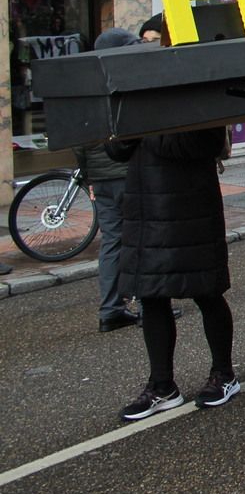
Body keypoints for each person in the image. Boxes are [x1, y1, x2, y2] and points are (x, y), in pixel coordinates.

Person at [108, 120, 238, 422]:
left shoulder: (192, 92)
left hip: (191, 206)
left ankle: (224, 373)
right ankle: (162, 384)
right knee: (151, 295)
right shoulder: (130, 99)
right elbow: (114, 147)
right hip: (145, 208)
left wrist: (148, 132)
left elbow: (206, 142)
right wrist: (129, 135)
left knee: (206, 291)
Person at [75, 28, 139, 331]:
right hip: (128, 173)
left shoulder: (85, 88)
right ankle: (151, 303)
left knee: (112, 242)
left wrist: (89, 176)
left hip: (101, 180)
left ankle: (111, 308)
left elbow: (78, 139)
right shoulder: (125, 82)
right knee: (141, 238)